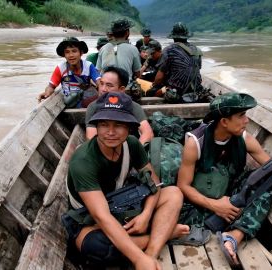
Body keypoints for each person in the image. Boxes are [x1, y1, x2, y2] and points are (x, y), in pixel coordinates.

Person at [176, 92, 272, 266]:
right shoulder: (195, 143)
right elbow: (183, 186)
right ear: (224, 121)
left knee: (267, 176)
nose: (246, 121)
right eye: (241, 115)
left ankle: (234, 236)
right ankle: (227, 226)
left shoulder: (244, 138)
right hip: (200, 205)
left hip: (229, 197)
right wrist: (214, 205)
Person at [65, 92, 189, 269]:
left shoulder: (132, 144)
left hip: (122, 204)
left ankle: (151, 252)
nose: (110, 132)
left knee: (174, 194)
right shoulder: (83, 161)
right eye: (104, 124)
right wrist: (138, 259)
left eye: (118, 125)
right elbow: (102, 216)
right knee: (94, 246)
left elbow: (155, 185)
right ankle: (164, 234)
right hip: (91, 217)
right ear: (96, 127)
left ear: (129, 127)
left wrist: (145, 216)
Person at [85, 66, 154, 144]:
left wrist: (135, 152)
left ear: (121, 89)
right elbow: (91, 137)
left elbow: (147, 133)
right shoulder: (93, 107)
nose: (103, 89)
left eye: (109, 85)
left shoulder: (132, 106)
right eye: (101, 84)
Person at [37, 37, 101, 108]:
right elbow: (51, 86)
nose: (71, 55)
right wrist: (47, 93)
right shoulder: (60, 68)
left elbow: (99, 82)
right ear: (64, 55)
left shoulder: (89, 66)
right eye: (67, 52)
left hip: (85, 100)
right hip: (69, 102)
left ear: (81, 52)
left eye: (74, 51)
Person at [147, 22, 203, 102]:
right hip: (196, 90)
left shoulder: (169, 50)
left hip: (176, 93)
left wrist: (154, 86)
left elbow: (159, 78)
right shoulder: (197, 50)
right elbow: (198, 71)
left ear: (173, 37)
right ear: (187, 36)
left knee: (150, 93)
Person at [96, 18, 141, 83]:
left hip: (106, 86)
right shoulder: (133, 49)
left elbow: (98, 71)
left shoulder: (103, 48)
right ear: (127, 33)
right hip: (124, 87)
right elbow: (137, 73)